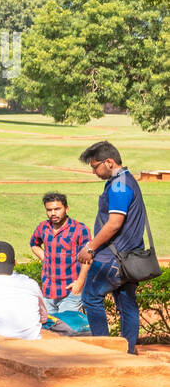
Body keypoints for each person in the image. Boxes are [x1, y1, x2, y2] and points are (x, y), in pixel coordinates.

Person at [76, 141, 149, 353]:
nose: (93, 171)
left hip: (113, 258)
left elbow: (114, 223)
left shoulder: (119, 185)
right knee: (127, 304)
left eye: (94, 166)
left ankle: (103, 350)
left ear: (109, 162)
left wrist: (90, 248)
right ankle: (127, 351)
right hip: (130, 259)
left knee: (90, 296)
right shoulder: (128, 181)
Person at [29, 191, 91, 314]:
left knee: (66, 329)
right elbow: (34, 244)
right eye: (49, 210)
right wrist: (46, 259)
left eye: (57, 209)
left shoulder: (79, 229)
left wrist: (79, 283)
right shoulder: (43, 227)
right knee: (50, 330)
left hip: (70, 290)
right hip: (48, 290)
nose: (53, 213)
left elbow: (88, 259)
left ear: (66, 208)